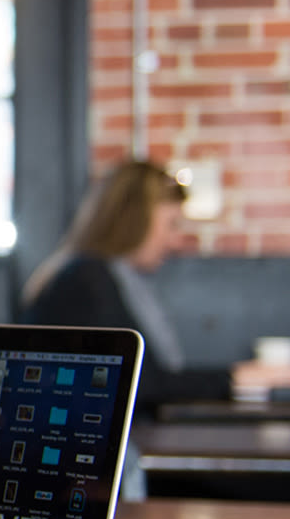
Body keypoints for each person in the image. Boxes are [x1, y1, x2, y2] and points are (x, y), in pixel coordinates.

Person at [19, 159, 226, 411]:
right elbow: (140, 384)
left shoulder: (104, 275)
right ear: (135, 220)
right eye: (171, 224)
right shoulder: (88, 280)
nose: (176, 241)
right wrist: (235, 378)